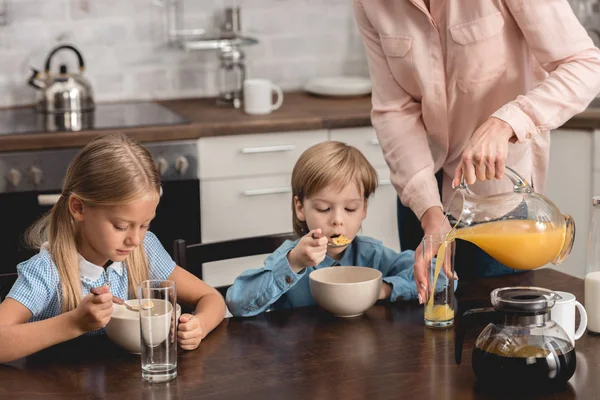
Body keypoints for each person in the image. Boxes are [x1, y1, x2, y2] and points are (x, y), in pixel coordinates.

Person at [353, 0, 600, 302]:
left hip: (500, 204)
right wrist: (430, 211)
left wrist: (506, 123)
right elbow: (395, 110)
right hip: (422, 198)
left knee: (502, 336)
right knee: (425, 335)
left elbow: (586, 64)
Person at [0, 133, 226, 363]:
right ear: (78, 208)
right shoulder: (47, 270)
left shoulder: (144, 250)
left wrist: (199, 326)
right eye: (121, 226)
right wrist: (74, 323)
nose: (135, 239)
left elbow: (211, 297)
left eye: (144, 225)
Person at [226, 141, 449, 317]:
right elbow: (238, 303)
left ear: (364, 209)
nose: (337, 220)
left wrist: (382, 289)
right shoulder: (290, 257)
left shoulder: (372, 255)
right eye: (324, 209)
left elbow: (443, 277)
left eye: (350, 208)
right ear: (300, 208)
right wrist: (293, 263)